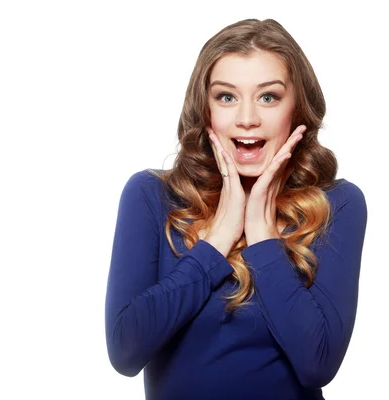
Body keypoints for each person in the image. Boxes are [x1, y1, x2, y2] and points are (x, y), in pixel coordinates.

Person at [105, 18, 367, 400]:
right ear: (205, 108)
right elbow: (125, 352)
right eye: (226, 97)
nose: (247, 118)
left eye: (268, 97)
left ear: (297, 109)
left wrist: (261, 234)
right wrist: (217, 241)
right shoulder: (150, 195)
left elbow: (318, 364)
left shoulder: (338, 204)